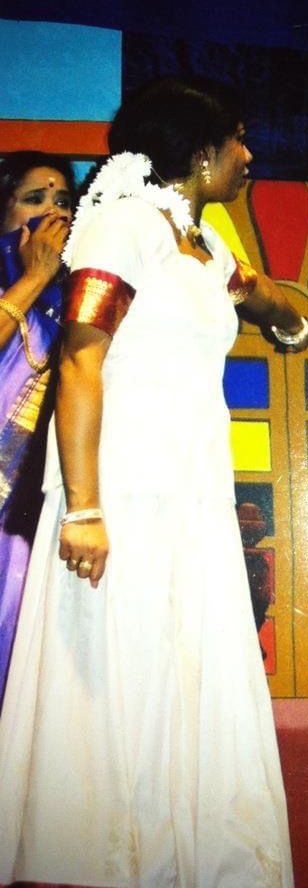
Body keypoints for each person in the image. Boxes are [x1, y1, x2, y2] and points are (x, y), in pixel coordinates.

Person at [0, 76, 308, 887]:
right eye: (238, 139)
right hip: (124, 493)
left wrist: (288, 317)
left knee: (187, 684)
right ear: (202, 152)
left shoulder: (200, 242)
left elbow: (261, 298)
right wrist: (85, 509)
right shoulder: (123, 225)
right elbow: (80, 360)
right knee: (124, 685)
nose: (249, 156)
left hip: (194, 496)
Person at [0, 151, 74, 705]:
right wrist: (33, 278)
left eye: (64, 201)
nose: (53, 214)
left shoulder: (77, 303)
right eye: (34, 200)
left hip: (36, 516)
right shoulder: (29, 287)